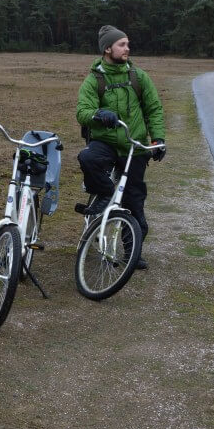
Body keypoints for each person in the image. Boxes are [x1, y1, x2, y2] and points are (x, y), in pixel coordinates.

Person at [76, 25, 166, 269]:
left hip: (133, 148)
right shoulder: (94, 79)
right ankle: (104, 193)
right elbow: (82, 111)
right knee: (88, 158)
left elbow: (153, 109)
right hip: (105, 143)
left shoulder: (138, 76)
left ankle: (132, 253)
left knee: (133, 203)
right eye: (122, 44)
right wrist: (98, 114)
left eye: (127, 44)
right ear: (108, 48)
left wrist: (157, 139)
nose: (127, 48)